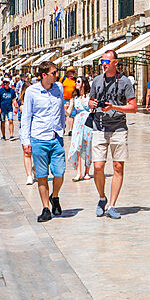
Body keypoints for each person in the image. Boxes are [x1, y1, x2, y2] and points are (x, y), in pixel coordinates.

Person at [88, 50, 137, 220]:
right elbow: (90, 101)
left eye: (107, 61)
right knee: (98, 167)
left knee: (118, 166)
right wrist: (92, 103)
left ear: (115, 62)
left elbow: (133, 108)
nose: (104, 64)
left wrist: (114, 107)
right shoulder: (96, 81)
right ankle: (102, 197)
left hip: (118, 127)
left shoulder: (124, 82)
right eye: (102, 61)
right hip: (99, 126)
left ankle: (112, 205)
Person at [21, 62, 67, 222]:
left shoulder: (58, 88)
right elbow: (26, 117)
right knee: (42, 175)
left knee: (59, 173)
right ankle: (46, 208)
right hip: (39, 137)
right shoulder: (32, 92)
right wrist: (25, 141)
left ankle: (55, 196)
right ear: (44, 75)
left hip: (56, 136)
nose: (57, 75)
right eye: (54, 73)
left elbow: (61, 110)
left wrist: (63, 127)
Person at [67, 78, 92, 181]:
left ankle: (87, 172)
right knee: (76, 146)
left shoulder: (90, 96)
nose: (76, 83)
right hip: (77, 123)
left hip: (88, 122)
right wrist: (64, 109)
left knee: (87, 146)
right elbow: (69, 112)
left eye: (78, 81)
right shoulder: (74, 98)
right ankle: (78, 172)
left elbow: (92, 109)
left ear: (83, 84)